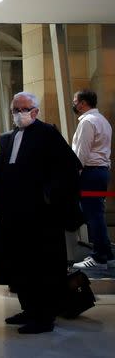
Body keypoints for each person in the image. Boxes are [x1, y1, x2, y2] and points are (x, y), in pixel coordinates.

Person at [0, 92, 82, 334]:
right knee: (19, 265)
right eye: (15, 110)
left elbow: (69, 167)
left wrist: (49, 195)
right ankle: (28, 308)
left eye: (23, 109)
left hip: (41, 218)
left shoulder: (48, 134)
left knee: (42, 267)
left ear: (35, 111)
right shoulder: (7, 139)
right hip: (14, 215)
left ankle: (44, 316)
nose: (19, 114)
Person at [70, 89, 113, 269]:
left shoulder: (87, 122)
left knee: (93, 215)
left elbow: (81, 154)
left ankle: (99, 257)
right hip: (101, 172)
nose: (73, 104)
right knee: (96, 213)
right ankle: (106, 255)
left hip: (90, 172)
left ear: (83, 103)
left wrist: (72, 176)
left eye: (75, 100)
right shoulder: (103, 120)